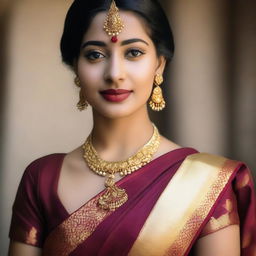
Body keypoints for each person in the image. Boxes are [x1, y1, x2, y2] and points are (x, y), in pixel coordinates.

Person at [8, 0, 256, 255]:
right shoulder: (41, 179)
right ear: (76, 67)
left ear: (159, 64)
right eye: (95, 55)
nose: (115, 73)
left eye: (133, 52)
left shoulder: (207, 182)